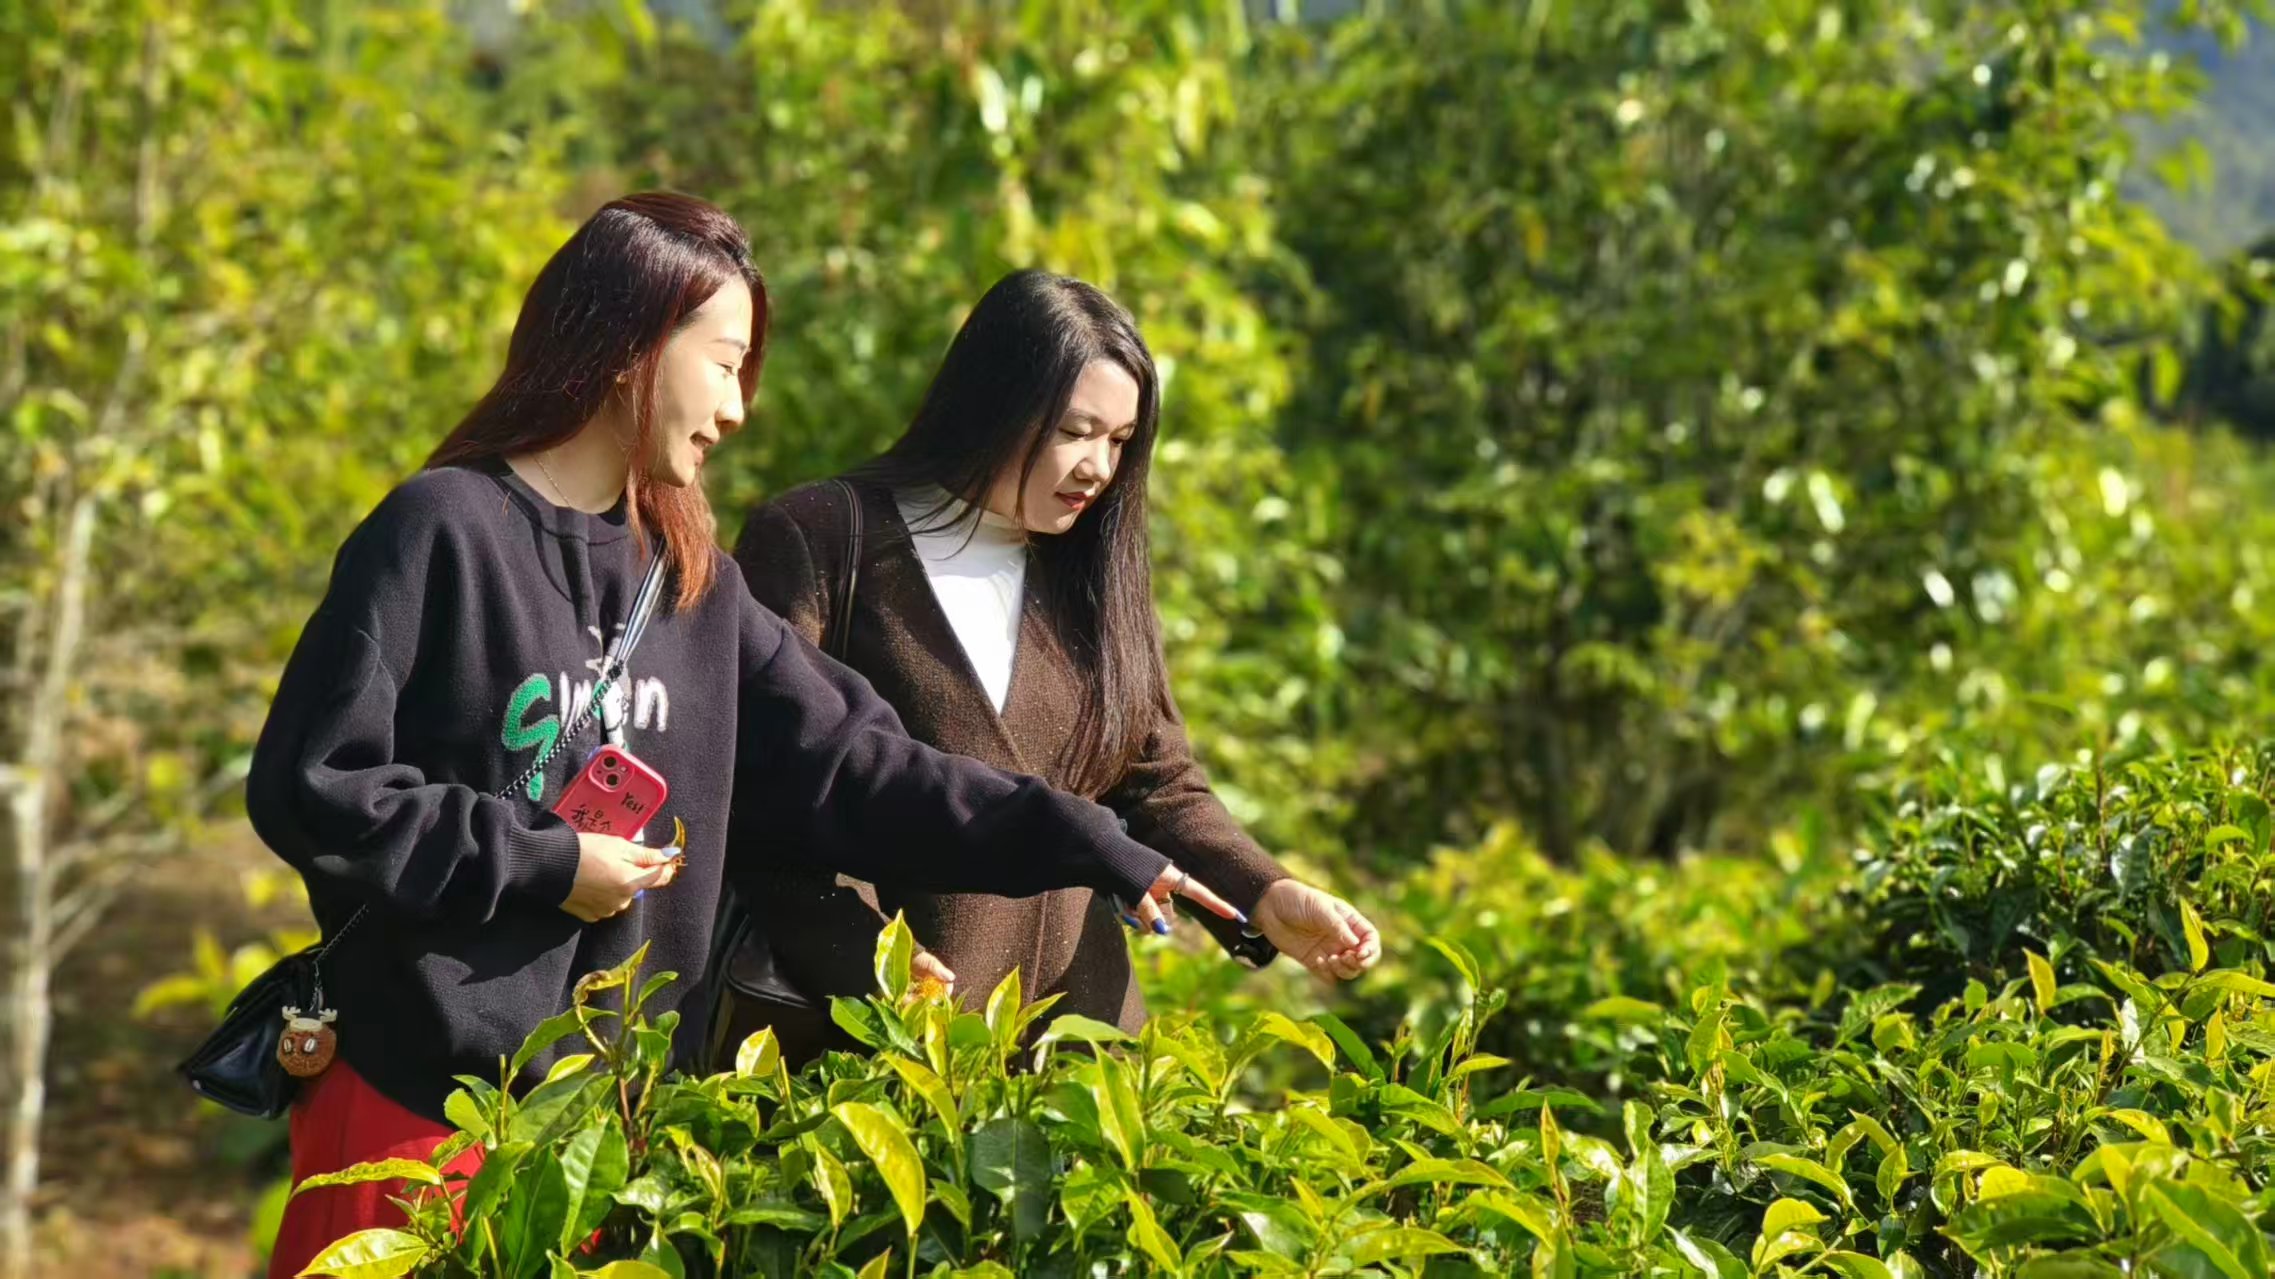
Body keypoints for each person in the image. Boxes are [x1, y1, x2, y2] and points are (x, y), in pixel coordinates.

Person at [245, 197, 1235, 1278]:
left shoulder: (691, 587)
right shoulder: (442, 529)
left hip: (604, 1144)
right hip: (414, 1105)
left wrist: (1090, 840)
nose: (735, 409)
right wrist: (546, 859)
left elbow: (865, 766)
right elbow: (316, 784)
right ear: (630, 344)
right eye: (724, 364)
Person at [716, 269, 1381, 1055]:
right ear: (992, 402)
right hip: (876, 1046)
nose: (1098, 468)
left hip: (1077, 1056)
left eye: (1120, 441)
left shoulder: (1091, 576)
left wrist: (1263, 892)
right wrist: (872, 966)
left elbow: (1157, 782)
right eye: (1074, 430)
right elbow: (761, 790)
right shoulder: (824, 536)